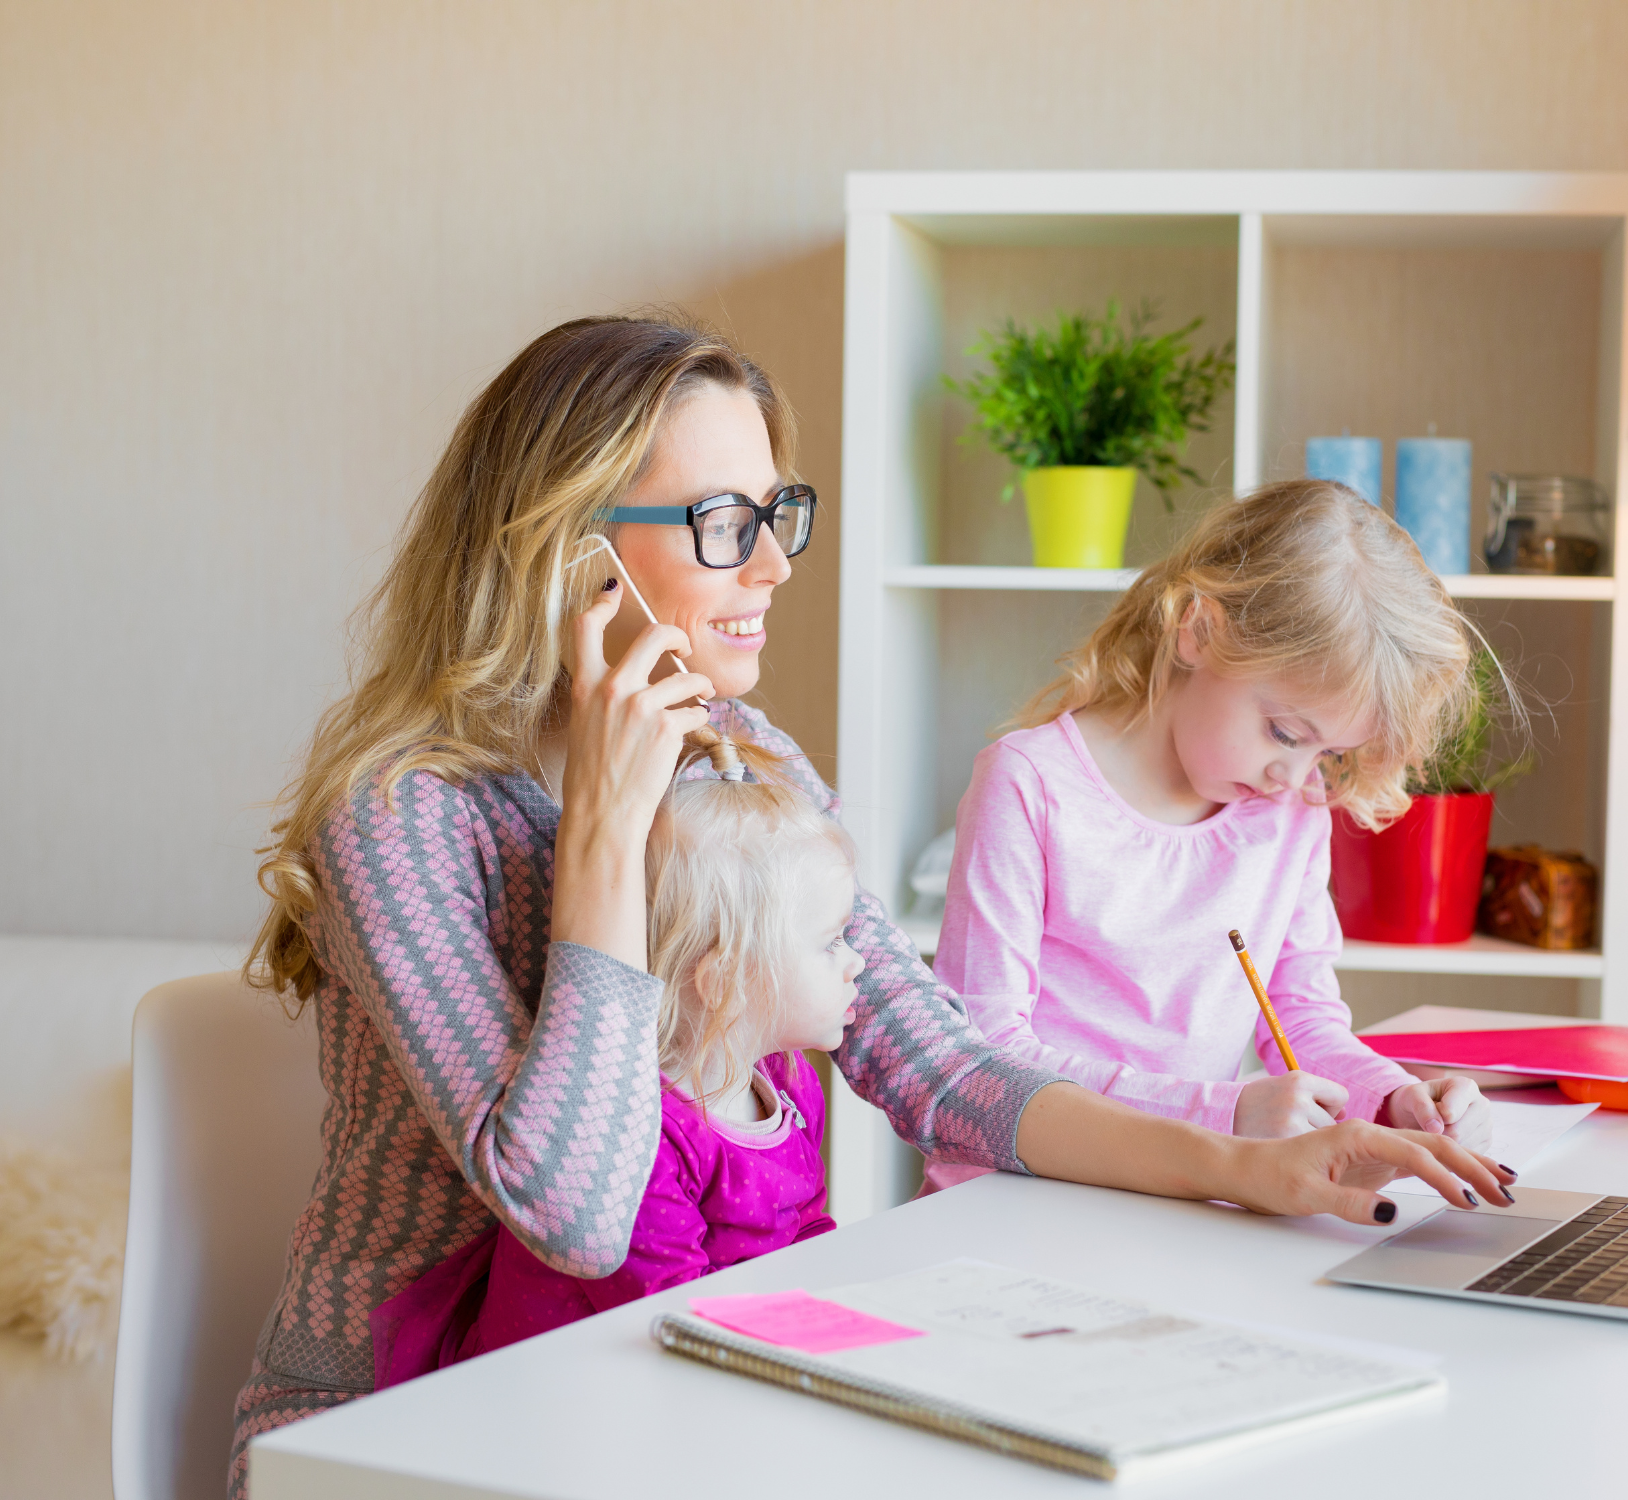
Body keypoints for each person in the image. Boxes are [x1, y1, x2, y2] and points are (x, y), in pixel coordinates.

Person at [229, 313, 1509, 1497]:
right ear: (571, 553)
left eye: (779, 511)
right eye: (725, 522)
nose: (778, 563)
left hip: (639, 1390)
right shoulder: (406, 815)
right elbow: (574, 1212)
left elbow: (945, 1065)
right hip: (398, 1432)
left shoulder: (743, 757)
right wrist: (608, 832)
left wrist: (1247, 1163)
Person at [925, 480, 1499, 1193]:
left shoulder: (1293, 810)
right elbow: (984, 1059)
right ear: (1198, 631)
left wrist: (1392, 1098)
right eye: (1286, 733)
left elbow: (1303, 1018)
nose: (1294, 777)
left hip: (1180, 1197)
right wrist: (1223, 1114)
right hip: (1017, 1195)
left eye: (1327, 754)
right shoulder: (1030, 784)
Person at [367, 730, 852, 1383]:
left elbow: (809, 1229)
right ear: (725, 979)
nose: (857, 963)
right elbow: (669, 1313)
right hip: (558, 1395)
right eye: (831, 943)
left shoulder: (789, 1086)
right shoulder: (637, 1128)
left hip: (697, 1367)